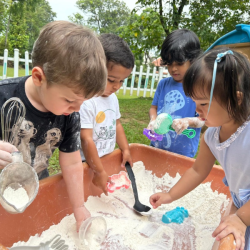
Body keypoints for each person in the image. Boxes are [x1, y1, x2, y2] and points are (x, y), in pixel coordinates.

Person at [0, 21, 107, 231]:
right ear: (39, 77)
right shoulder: (4, 96)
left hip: (35, 185)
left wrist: (79, 207)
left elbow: (73, 163)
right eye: (69, 100)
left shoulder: (69, 115)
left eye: (83, 102)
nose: (77, 109)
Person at [150, 48, 250, 250]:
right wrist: (170, 195)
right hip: (241, 204)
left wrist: (241, 218)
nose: (197, 110)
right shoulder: (211, 136)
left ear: (236, 99)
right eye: (194, 102)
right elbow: (197, 171)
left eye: (203, 103)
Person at [80, 33, 134, 195]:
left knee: (101, 191)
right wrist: (98, 171)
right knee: (87, 192)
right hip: (87, 162)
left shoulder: (113, 98)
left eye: (122, 81)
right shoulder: (86, 101)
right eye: (111, 80)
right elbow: (86, 138)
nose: (117, 86)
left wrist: (125, 149)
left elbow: (117, 124)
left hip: (107, 156)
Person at [148, 29, 204, 158]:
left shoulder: (198, 88)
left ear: (193, 60)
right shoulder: (163, 84)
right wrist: (153, 120)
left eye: (179, 64)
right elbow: (153, 108)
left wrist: (187, 121)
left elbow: (203, 120)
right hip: (157, 145)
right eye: (169, 64)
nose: (173, 68)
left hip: (183, 152)